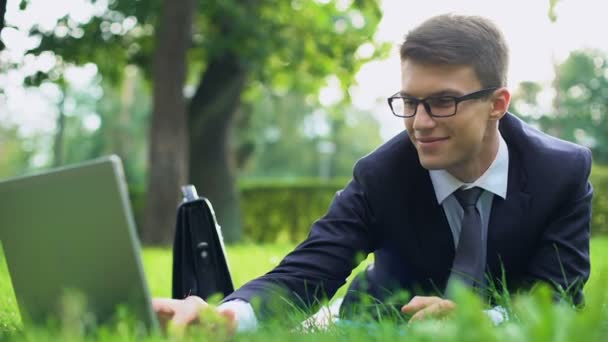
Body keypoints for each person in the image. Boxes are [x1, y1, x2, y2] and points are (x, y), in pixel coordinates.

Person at [153, 13, 593, 332]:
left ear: (497, 104)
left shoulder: (562, 172)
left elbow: (558, 294)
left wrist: (483, 319)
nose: (420, 123)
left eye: (443, 102)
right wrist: (230, 316)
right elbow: (308, 270)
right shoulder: (382, 174)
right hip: (376, 317)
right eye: (410, 102)